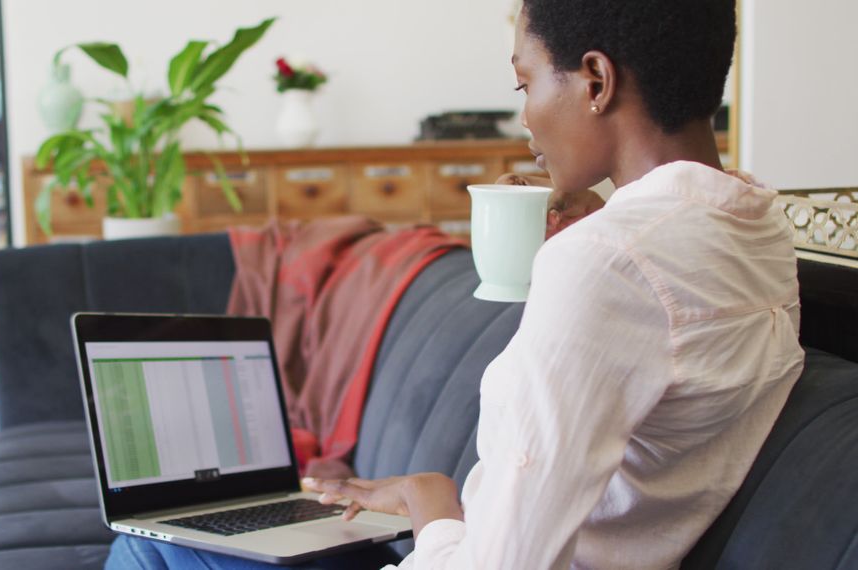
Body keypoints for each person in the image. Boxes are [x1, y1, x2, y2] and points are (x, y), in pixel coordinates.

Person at [106, 0, 805, 567]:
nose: (525, 119)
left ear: (595, 80)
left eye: (525, 82)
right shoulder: (758, 227)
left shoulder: (607, 262)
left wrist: (429, 498)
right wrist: (605, 215)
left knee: (146, 550)